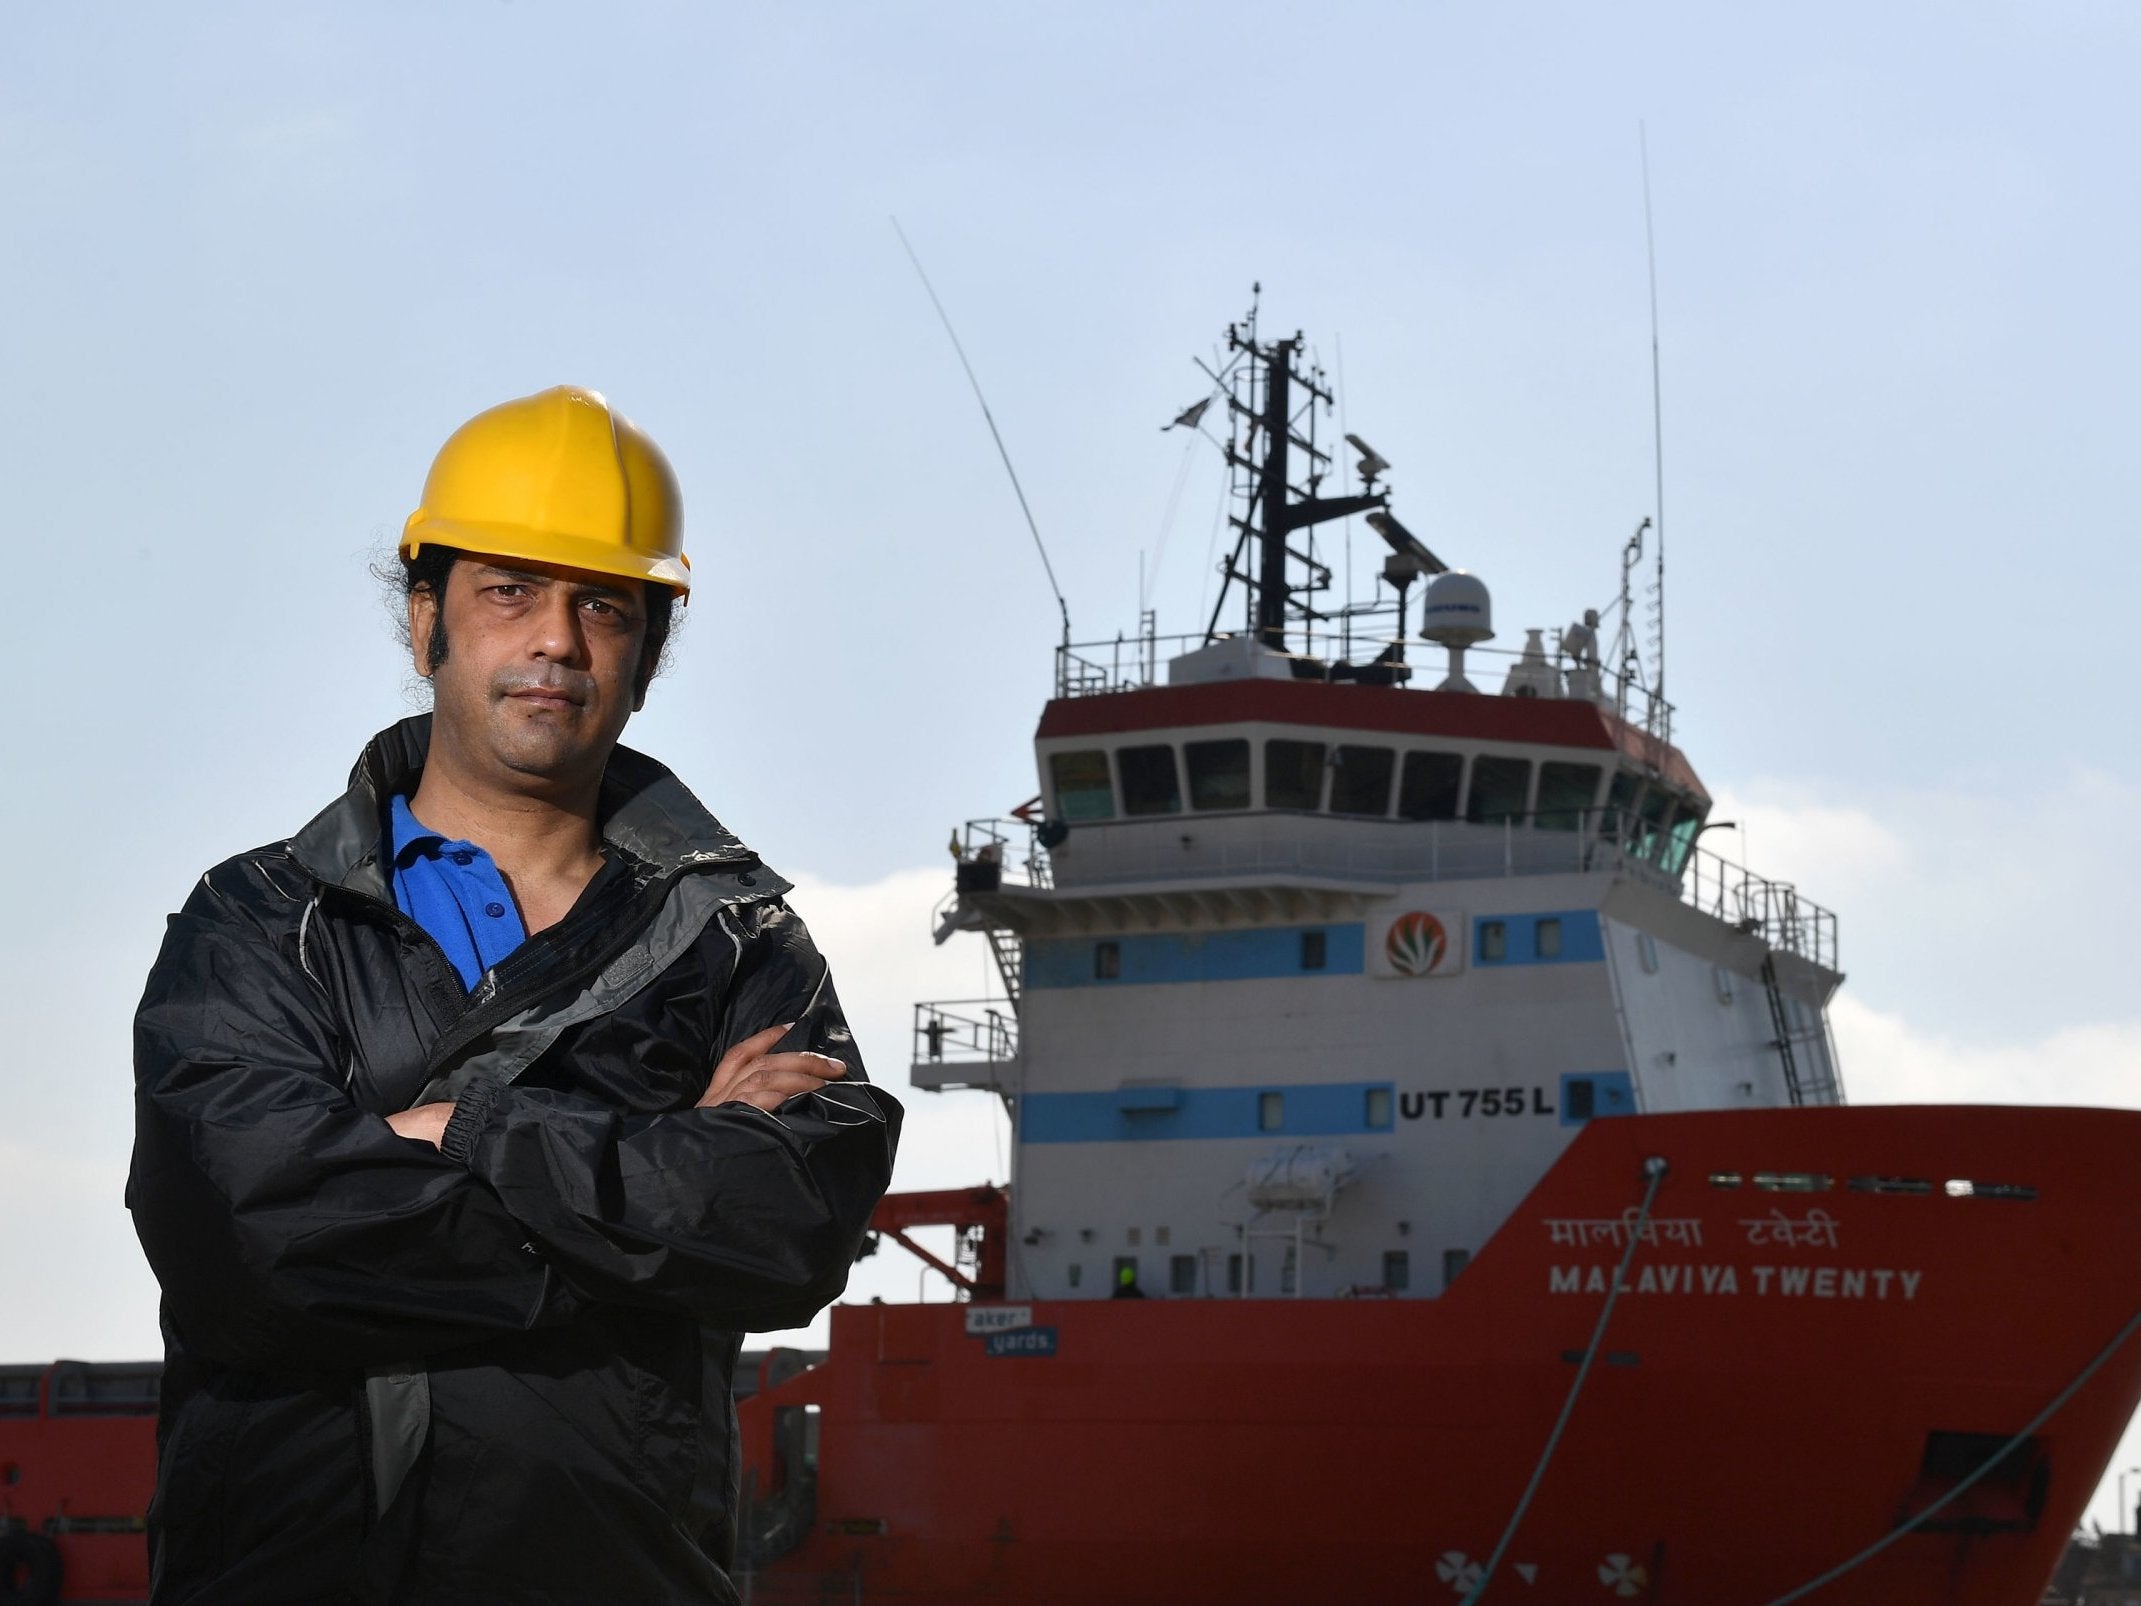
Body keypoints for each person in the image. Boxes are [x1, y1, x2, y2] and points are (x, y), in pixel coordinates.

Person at [127, 386, 901, 1604]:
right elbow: (255, 1239)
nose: (557, 641)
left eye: (604, 605)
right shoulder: (263, 923)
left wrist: (469, 1134)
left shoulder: (738, 943)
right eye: (509, 591)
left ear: (646, 654)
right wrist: (656, 1201)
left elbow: (785, 1228)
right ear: (424, 620)